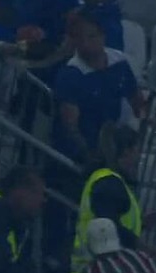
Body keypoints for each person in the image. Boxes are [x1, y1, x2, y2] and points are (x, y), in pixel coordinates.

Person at [69, 126, 156, 273]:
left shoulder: (113, 181)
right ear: (127, 150)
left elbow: (124, 224)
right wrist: (155, 251)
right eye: (137, 149)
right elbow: (111, 227)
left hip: (106, 267)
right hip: (96, 271)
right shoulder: (108, 182)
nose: (139, 156)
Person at [52, 11, 144, 166]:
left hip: (115, 145)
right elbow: (70, 126)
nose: (86, 44)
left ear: (103, 36)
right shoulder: (70, 74)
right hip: (80, 156)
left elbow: (136, 100)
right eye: (79, 39)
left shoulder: (119, 61)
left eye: (91, 37)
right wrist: (90, 154)